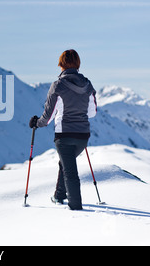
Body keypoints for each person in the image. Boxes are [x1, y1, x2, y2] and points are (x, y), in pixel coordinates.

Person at [29, 49, 97, 210]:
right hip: (83, 137)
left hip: (64, 135)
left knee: (70, 172)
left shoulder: (58, 86)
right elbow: (92, 113)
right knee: (66, 164)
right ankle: (59, 196)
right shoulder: (88, 85)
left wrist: (36, 123)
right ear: (78, 64)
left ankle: (76, 207)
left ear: (61, 65)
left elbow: (47, 117)